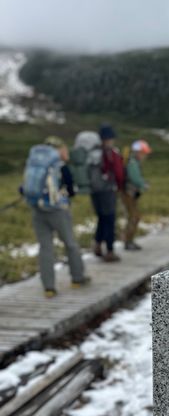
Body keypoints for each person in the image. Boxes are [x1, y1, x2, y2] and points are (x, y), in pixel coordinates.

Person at [21, 136, 90, 297]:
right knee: (70, 244)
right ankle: (77, 278)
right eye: (64, 149)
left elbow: (23, 188)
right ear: (58, 149)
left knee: (45, 248)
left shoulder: (33, 163)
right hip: (58, 211)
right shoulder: (60, 166)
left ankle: (49, 288)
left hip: (37, 210)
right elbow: (71, 190)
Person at [89, 124, 125, 262]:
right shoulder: (111, 153)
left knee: (101, 218)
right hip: (108, 190)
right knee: (109, 219)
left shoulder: (93, 153)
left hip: (94, 191)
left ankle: (97, 245)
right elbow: (119, 173)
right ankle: (110, 251)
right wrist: (120, 186)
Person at [122, 139, 151, 250]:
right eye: (143, 153)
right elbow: (134, 178)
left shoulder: (131, 161)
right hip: (129, 193)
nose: (144, 156)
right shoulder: (132, 163)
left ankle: (128, 240)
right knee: (134, 217)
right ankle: (128, 241)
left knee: (133, 216)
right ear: (138, 152)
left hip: (130, 193)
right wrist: (143, 184)